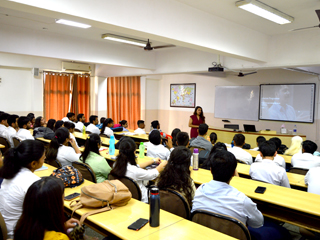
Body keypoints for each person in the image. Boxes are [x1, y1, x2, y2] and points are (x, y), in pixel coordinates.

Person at [192, 150, 290, 240]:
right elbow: (258, 223)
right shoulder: (242, 200)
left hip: (204, 235)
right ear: (234, 173)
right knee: (283, 232)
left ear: (211, 170)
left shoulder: (200, 190)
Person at [0, 140, 45, 238]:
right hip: (19, 234)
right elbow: (43, 216)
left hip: (5, 229)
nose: (45, 158)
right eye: (43, 157)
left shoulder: (9, 173)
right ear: (33, 163)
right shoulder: (33, 182)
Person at [14, 176, 80, 240]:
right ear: (54, 206)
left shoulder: (22, 229)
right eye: (62, 198)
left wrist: (63, 226)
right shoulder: (60, 238)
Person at [110, 137, 167, 203]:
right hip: (141, 199)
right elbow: (152, 174)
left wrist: (153, 161)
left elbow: (136, 166)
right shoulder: (135, 171)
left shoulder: (116, 164)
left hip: (126, 196)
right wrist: (162, 165)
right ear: (134, 152)